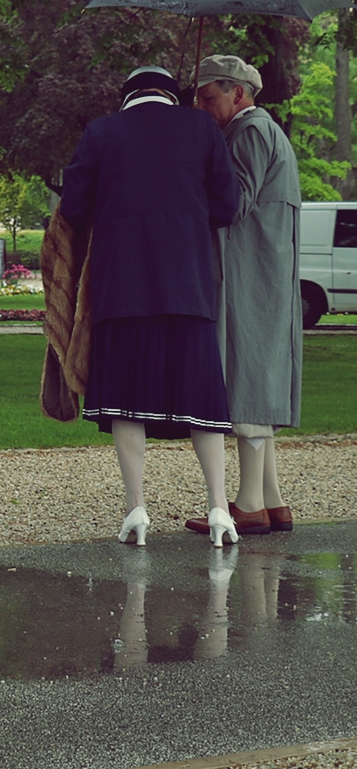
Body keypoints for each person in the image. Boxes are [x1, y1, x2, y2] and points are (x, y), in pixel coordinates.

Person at [58, 65, 242, 546]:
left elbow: (74, 207)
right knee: (202, 400)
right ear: (170, 94)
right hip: (189, 286)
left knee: (127, 402)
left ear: (126, 97)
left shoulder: (102, 132)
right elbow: (227, 205)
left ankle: (136, 509)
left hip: (123, 287)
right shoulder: (202, 127)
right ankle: (220, 509)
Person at [186, 55, 302, 538]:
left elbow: (233, 202)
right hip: (262, 268)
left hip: (253, 270)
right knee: (259, 374)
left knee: (250, 376)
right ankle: (271, 500)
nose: (200, 106)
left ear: (238, 93)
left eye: (208, 98)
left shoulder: (250, 131)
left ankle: (250, 504)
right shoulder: (259, 130)